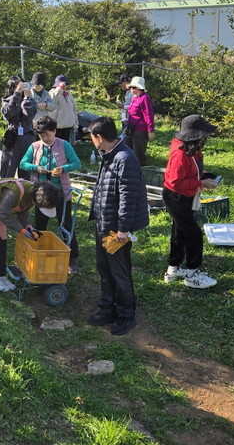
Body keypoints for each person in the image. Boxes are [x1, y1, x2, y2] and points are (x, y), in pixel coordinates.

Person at [86, 116, 149, 336]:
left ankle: (125, 315)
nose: (91, 141)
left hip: (116, 229)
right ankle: (107, 309)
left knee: (119, 271)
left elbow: (128, 197)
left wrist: (123, 229)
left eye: (92, 137)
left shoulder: (125, 159)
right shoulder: (109, 155)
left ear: (99, 137)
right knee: (104, 267)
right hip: (104, 223)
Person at [0, 178, 63, 291]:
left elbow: (22, 210)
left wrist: (28, 226)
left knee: (1, 239)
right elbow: (3, 214)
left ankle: (1, 274)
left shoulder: (34, 193)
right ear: (37, 200)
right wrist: (21, 230)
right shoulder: (14, 193)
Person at [162, 114, 219, 289]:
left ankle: (173, 268)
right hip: (176, 197)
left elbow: (189, 171)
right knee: (194, 234)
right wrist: (200, 183)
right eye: (204, 136)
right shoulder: (180, 154)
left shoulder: (191, 150)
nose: (206, 139)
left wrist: (201, 176)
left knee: (179, 232)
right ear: (196, 136)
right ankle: (192, 274)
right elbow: (175, 182)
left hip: (184, 196)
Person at [19, 116, 82, 273]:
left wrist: (63, 169)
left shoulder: (64, 145)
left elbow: (77, 163)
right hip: (41, 193)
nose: (45, 138)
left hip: (60, 192)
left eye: (47, 134)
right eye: (41, 136)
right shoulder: (34, 146)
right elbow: (22, 163)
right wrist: (36, 167)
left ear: (54, 131)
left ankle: (72, 256)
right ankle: (39, 250)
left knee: (66, 224)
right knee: (40, 223)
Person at [0, 75, 37, 180]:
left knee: (26, 173)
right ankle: (4, 192)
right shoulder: (7, 99)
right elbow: (8, 113)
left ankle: (25, 194)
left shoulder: (29, 100)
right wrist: (16, 95)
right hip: (13, 137)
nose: (21, 88)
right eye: (19, 85)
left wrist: (27, 98)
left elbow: (29, 114)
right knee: (8, 170)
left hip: (27, 136)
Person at [124, 76, 155, 166]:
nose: (131, 89)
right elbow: (132, 110)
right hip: (131, 128)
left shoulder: (145, 98)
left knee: (138, 154)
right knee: (126, 148)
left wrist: (150, 130)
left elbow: (148, 114)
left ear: (140, 88)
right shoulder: (134, 98)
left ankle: (141, 173)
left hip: (140, 130)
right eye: (131, 87)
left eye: (134, 87)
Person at [48, 74, 78, 142]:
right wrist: (59, 88)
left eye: (66, 84)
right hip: (57, 127)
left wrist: (75, 125)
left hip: (68, 127)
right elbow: (52, 101)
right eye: (63, 84)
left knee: (65, 147)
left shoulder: (69, 94)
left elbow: (74, 110)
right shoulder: (52, 92)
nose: (64, 86)